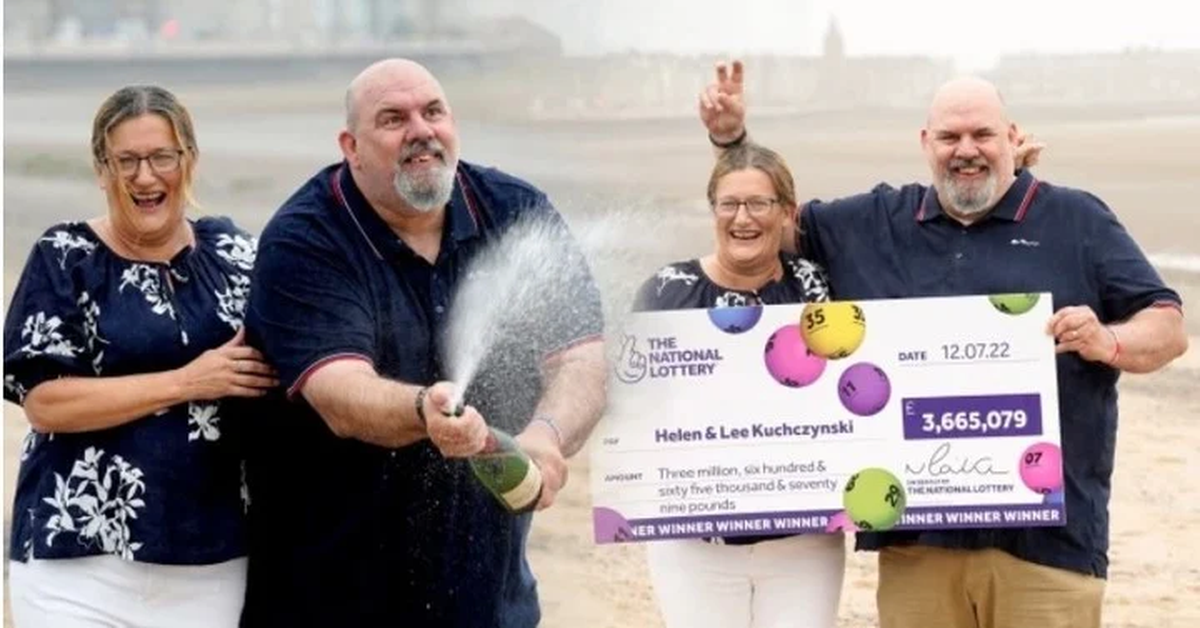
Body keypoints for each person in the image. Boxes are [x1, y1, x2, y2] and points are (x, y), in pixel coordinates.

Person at [698, 61, 1188, 628]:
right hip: (919, 544)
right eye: (950, 137)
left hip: (1051, 546)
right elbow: (764, 220)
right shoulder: (878, 220)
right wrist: (732, 141)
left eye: (982, 134)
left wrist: (1109, 340)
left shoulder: (1077, 219)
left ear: (1012, 138)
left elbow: (1167, 323)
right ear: (925, 143)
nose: (966, 150)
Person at [239, 58, 608, 627]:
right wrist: (423, 410)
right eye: (393, 119)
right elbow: (339, 394)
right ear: (351, 145)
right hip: (330, 602)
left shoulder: (515, 211)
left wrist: (547, 436)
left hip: (491, 604)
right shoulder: (304, 239)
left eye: (433, 111)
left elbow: (581, 358)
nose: (420, 130)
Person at [2, 85, 276, 626]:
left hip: (212, 556)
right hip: (77, 558)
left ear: (189, 160)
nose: (145, 177)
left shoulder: (237, 254)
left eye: (161, 157)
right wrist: (185, 382)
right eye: (126, 160)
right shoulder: (65, 257)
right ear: (102, 170)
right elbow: (45, 404)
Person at [632, 142, 844, 627]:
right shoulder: (666, 290)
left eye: (759, 204)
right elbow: (634, 403)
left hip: (803, 542)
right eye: (728, 204)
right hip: (693, 543)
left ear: (787, 213)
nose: (742, 218)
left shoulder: (818, 287)